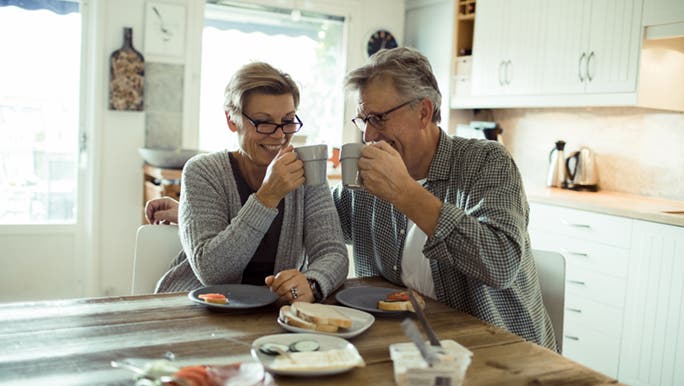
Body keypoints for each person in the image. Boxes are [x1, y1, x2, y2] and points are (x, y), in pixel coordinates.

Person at [332, 47, 556, 350]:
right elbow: (320, 226)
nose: (369, 136)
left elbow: (500, 264)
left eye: (379, 119)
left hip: (502, 352)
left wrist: (405, 192)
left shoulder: (486, 162)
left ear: (424, 112)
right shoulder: (368, 177)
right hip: (412, 347)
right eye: (363, 121)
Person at [153, 62, 348, 304]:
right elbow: (212, 273)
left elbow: (333, 253)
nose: (279, 135)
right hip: (196, 307)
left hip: (272, 313)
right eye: (264, 122)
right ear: (231, 120)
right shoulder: (202, 171)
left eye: (287, 121)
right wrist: (267, 197)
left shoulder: (306, 172)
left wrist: (312, 283)